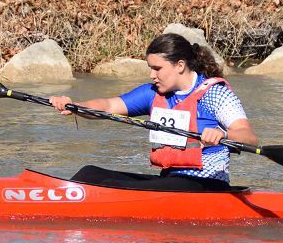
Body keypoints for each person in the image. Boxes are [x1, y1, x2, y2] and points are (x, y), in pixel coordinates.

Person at [49, 33, 258, 190]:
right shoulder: (153, 94)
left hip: (207, 184)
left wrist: (224, 134)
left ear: (180, 65)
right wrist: (75, 106)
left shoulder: (215, 94)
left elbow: (249, 137)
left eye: (157, 68)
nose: (152, 75)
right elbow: (108, 106)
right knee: (89, 174)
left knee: (116, 187)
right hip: (169, 181)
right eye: (151, 68)